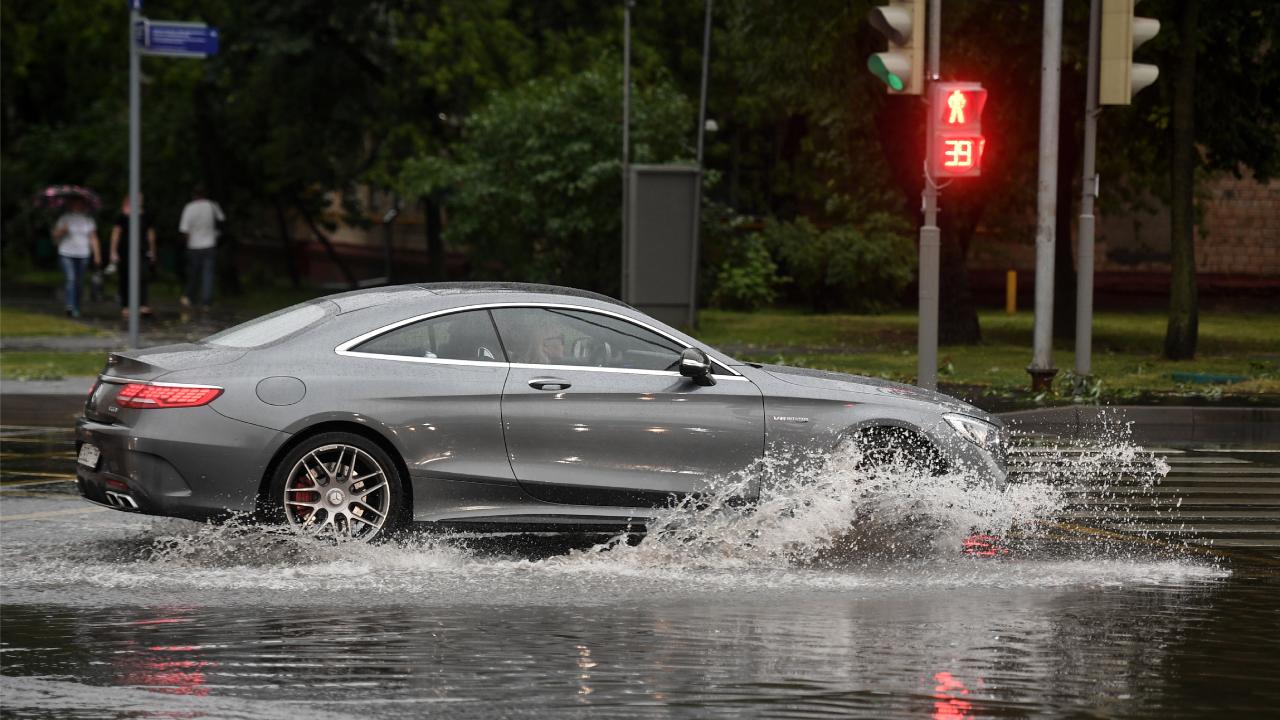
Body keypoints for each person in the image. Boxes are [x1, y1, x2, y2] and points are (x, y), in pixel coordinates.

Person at [51, 197, 100, 318]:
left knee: (79, 282)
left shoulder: (88, 220)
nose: (78, 205)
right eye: (75, 202)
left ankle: (77, 306)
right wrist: (62, 230)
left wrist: (97, 255)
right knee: (71, 279)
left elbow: (93, 238)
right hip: (66, 253)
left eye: (80, 203)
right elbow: (55, 236)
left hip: (83, 254)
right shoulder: (65, 218)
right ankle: (70, 306)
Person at [109, 194, 157, 317]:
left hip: (142, 250)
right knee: (125, 277)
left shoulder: (146, 216)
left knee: (142, 276)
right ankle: (126, 305)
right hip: (125, 251)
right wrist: (113, 252)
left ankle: (142, 304)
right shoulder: (123, 216)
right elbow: (116, 234)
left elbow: (150, 235)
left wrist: (152, 251)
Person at [178, 185, 224, 309]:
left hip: (194, 246)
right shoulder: (212, 205)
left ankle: (190, 297)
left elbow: (184, 229)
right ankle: (206, 301)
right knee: (208, 273)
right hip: (210, 244)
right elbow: (221, 221)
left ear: (194, 195)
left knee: (193, 273)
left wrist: (186, 244)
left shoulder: (189, 208)